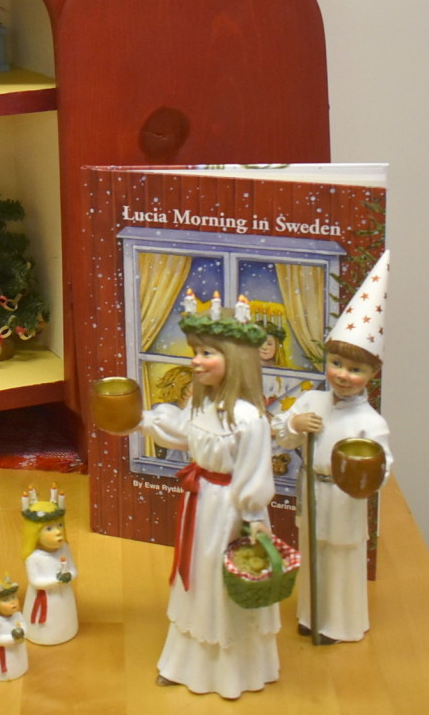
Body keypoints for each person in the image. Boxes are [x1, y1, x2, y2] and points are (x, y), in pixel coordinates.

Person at [137, 300, 279, 699]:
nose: (196, 362)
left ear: (235, 359)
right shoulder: (200, 405)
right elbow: (181, 432)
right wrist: (139, 420)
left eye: (206, 353)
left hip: (230, 511)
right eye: (195, 352)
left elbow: (255, 473)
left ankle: (230, 671)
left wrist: (252, 520)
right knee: (197, 580)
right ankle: (185, 662)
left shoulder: (249, 419)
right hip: (200, 507)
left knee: (223, 582)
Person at [273, 251, 392, 644]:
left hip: (344, 500)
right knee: (313, 556)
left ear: (371, 374)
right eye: (337, 363)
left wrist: (365, 472)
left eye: (355, 370)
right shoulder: (311, 401)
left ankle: (339, 624)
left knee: (341, 560)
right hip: (312, 493)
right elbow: (282, 435)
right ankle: (311, 616)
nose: (343, 375)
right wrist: (294, 424)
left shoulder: (371, 423)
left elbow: (381, 470)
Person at [20, 487, 78, 645]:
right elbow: (36, 581)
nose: (58, 532)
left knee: (64, 617)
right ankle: (41, 634)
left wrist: (69, 576)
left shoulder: (64, 548)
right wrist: (57, 581)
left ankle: (66, 631)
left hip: (64, 597)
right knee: (47, 626)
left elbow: (73, 570)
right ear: (35, 533)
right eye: (49, 528)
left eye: (59, 525)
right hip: (45, 598)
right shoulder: (33, 557)